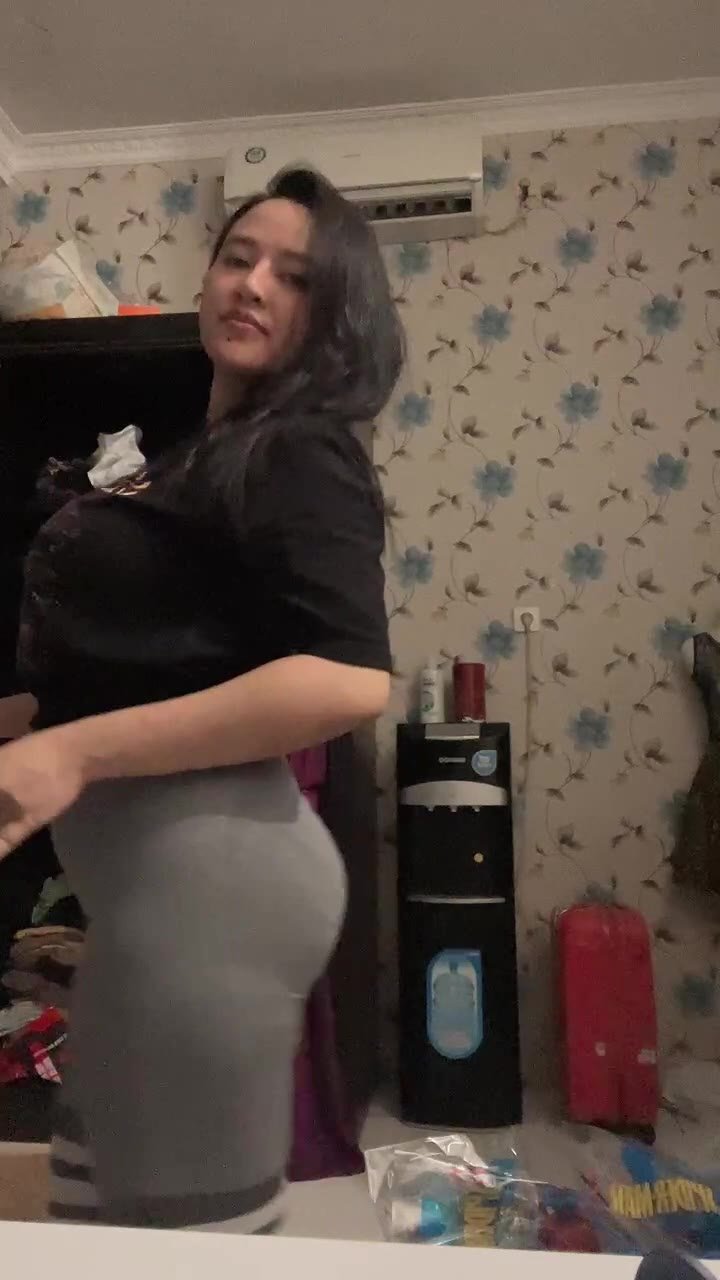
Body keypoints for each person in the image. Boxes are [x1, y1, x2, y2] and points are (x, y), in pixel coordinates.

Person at [0, 166, 403, 1231]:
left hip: (211, 902)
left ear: (335, 315)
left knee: (183, 1243)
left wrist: (71, 755)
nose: (253, 283)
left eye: (294, 275)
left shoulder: (299, 449)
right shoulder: (203, 461)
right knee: (99, 1219)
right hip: (156, 903)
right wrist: (31, 729)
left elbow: (349, 674)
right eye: (237, 256)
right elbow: (146, 670)